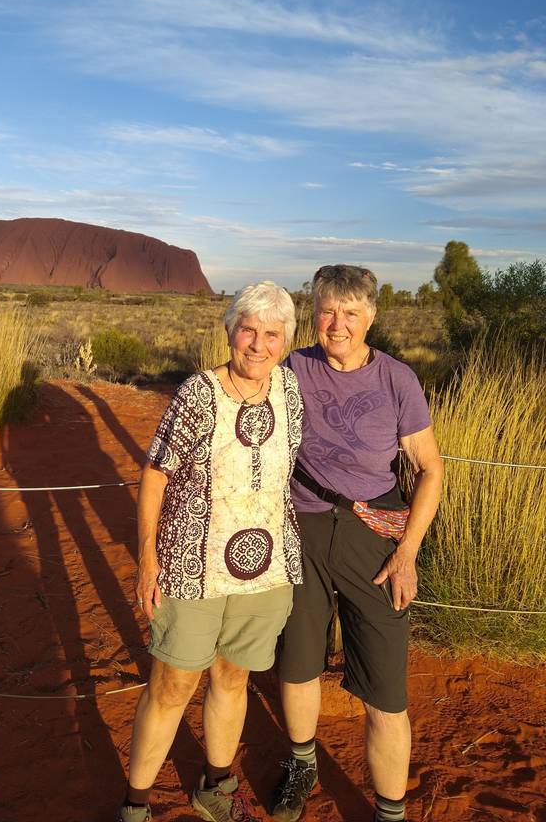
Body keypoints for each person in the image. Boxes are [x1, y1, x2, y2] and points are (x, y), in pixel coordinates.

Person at [119, 281, 305, 822]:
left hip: (266, 570)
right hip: (192, 568)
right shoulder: (199, 393)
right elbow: (155, 474)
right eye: (248, 329)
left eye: (272, 334)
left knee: (233, 677)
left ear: (286, 341)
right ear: (229, 331)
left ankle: (216, 786)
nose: (258, 344)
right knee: (173, 683)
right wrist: (149, 561)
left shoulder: (290, 391)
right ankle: (135, 804)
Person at [270, 264, 443, 822]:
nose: (337, 323)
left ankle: (389, 811)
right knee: (296, 662)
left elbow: (429, 471)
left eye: (350, 312)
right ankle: (301, 763)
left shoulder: (397, 380)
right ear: (313, 315)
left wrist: (407, 552)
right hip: (305, 526)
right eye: (327, 311)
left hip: (375, 534)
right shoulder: (292, 367)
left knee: (386, 691)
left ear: (370, 316)